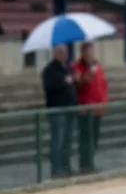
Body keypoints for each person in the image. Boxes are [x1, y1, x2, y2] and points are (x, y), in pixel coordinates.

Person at [41, 44, 77, 179]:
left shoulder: (66, 68)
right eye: (61, 52)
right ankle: (57, 169)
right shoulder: (49, 70)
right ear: (55, 53)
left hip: (69, 107)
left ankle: (66, 167)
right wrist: (64, 81)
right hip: (58, 109)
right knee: (58, 141)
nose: (64, 54)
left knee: (67, 140)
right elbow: (50, 87)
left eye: (65, 52)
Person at [72, 41, 108, 175]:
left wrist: (104, 101)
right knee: (86, 138)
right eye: (88, 52)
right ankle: (85, 164)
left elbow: (103, 84)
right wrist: (87, 75)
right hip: (86, 109)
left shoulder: (97, 65)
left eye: (92, 52)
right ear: (83, 53)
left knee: (95, 137)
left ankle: (90, 162)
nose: (90, 54)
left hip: (98, 108)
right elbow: (79, 83)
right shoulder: (77, 66)